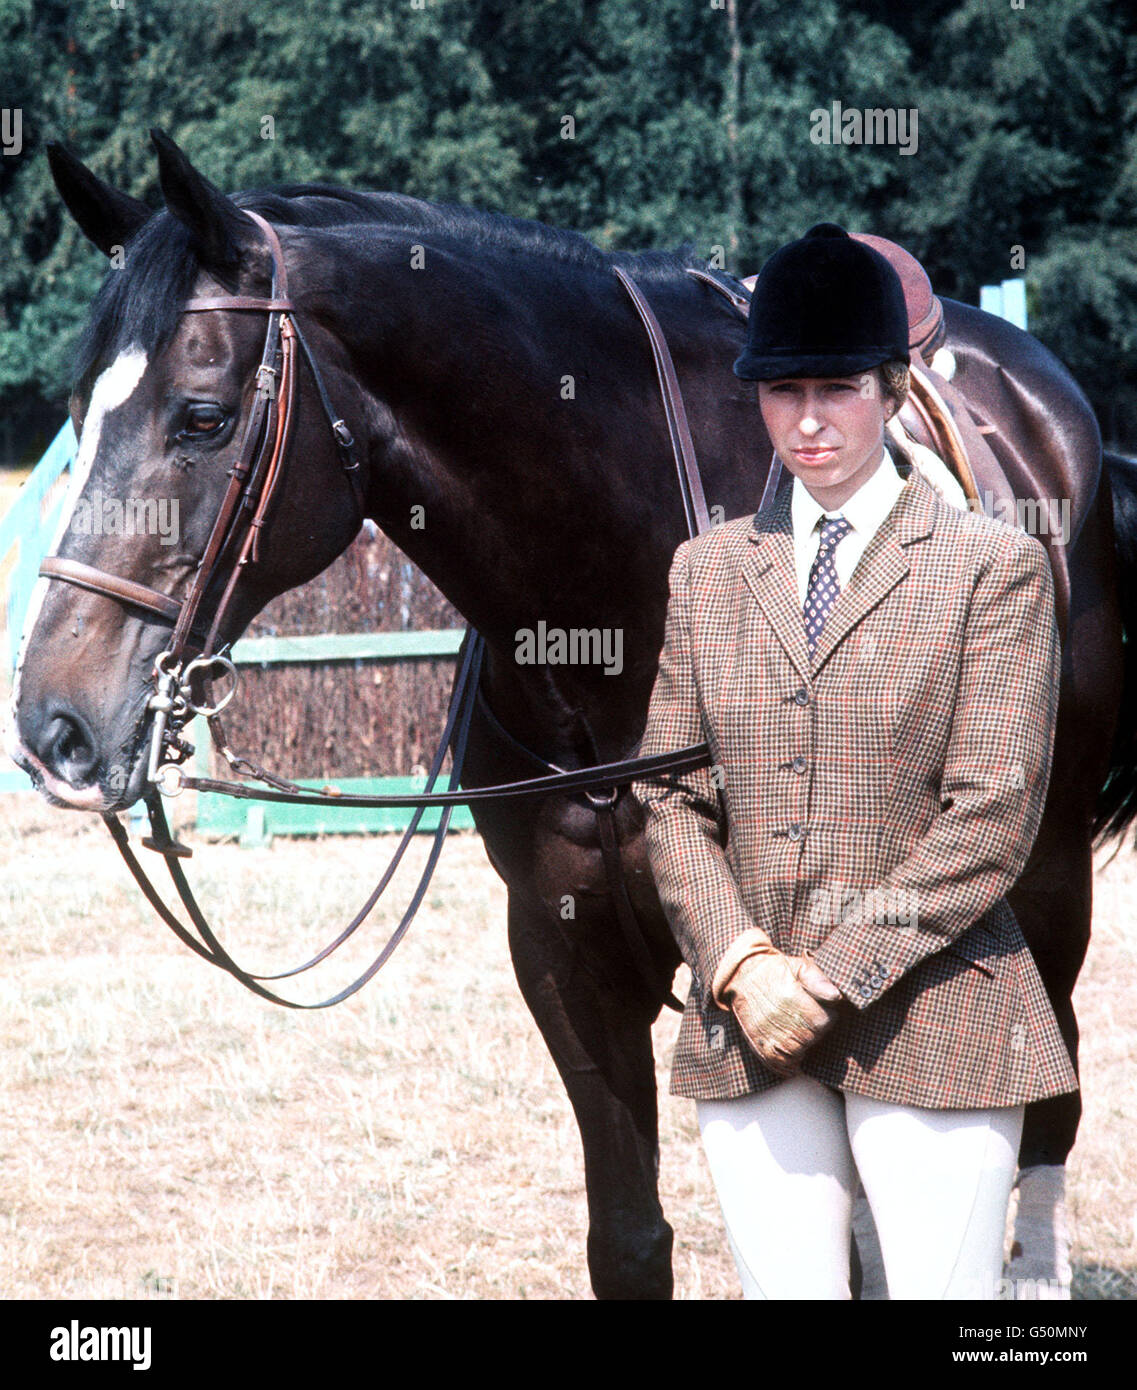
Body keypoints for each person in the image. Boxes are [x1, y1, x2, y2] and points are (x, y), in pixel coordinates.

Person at [631, 223, 1078, 1300]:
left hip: (938, 1006)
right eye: (782, 391)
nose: (809, 419)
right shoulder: (706, 573)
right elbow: (669, 794)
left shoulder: (993, 570)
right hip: (753, 1013)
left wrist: (828, 975)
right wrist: (741, 964)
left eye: (837, 387)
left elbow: (992, 817)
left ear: (893, 386)